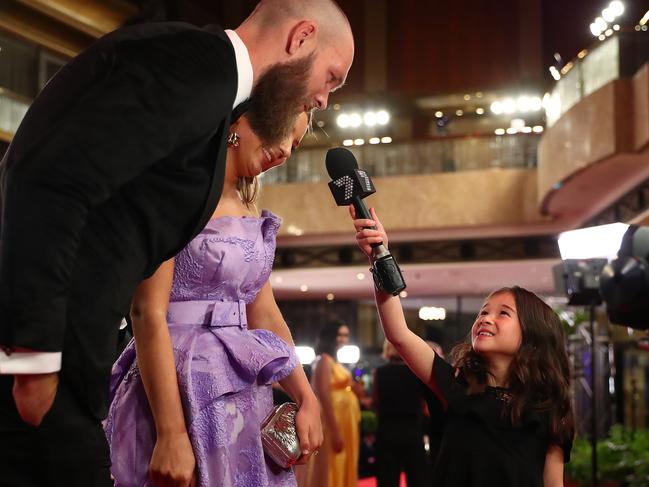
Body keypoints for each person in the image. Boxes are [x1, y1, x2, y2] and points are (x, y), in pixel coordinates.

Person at [0, 1, 354, 484]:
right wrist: (33, 357)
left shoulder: (206, 85)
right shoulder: (196, 70)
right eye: (331, 78)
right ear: (301, 38)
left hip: (76, 356)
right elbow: (48, 180)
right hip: (49, 360)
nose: (323, 100)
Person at [105, 112, 317, 487]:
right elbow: (146, 312)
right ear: (240, 121)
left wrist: (306, 395)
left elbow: (264, 313)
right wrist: (171, 433)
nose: (284, 150)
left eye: (295, 144)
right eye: (281, 134)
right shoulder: (174, 191)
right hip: (177, 382)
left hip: (242, 390)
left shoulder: (249, 206)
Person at [350, 207, 575, 487]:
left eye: (502, 313)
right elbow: (399, 334)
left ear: (533, 335)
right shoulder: (457, 384)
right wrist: (380, 256)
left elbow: (553, 483)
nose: (485, 319)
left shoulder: (549, 406)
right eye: (483, 312)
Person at [300, 321, 361, 487]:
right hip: (333, 419)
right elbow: (324, 395)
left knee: (342, 460)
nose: (343, 339)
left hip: (343, 419)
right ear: (330, 336)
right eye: (340, 335)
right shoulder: (324, 360)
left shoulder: (334, 360)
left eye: (346, 335)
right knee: (333, 462)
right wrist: (335, 431)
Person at [373, 340, 428, 487]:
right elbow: (424, 402)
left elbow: (376, 402)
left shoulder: (379, 372)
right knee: (417, 477)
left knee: (387, 478)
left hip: (387, 430)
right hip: (412, 430)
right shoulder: (416, 372)